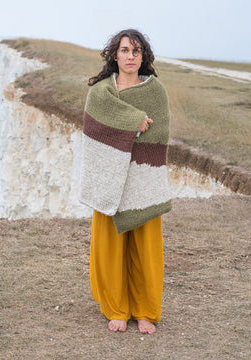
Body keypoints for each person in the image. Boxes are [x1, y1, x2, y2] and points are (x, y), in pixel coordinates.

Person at [79, 29, 172, 334]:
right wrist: (133, 122)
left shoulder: (155, 92)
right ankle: (116, 308)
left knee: (145, 248)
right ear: (114, 55)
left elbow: (157, 136)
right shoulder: (101, 93)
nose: (130, 57)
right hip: (109, 177)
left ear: (143, 56)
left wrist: (138, 126)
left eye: (136, 51)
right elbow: (94, 133)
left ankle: (145, 311)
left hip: (143, 177)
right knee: (109, 247)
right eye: (124, 51)